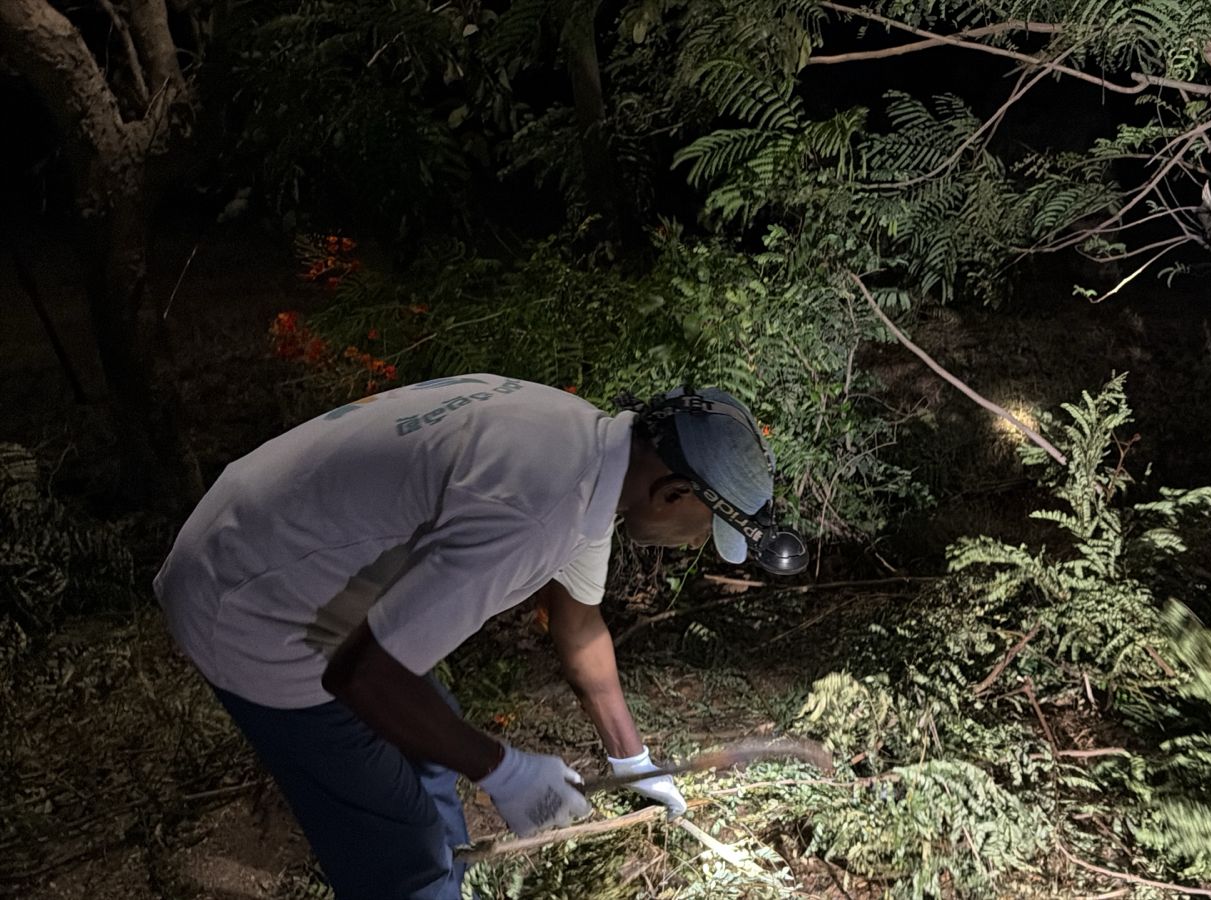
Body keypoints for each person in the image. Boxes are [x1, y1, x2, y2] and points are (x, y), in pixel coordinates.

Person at [154, 375, 807, 899]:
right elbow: (362, 675)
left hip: (270, 542)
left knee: (435, 739)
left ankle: (448, 876)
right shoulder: (539, 510)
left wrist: (632, 762)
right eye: (706, 529)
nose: (695, 545)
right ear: (672, 492)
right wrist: (505, 770)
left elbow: (580, 628)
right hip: (248, 602)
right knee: (406, 854)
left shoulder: (584, 448)